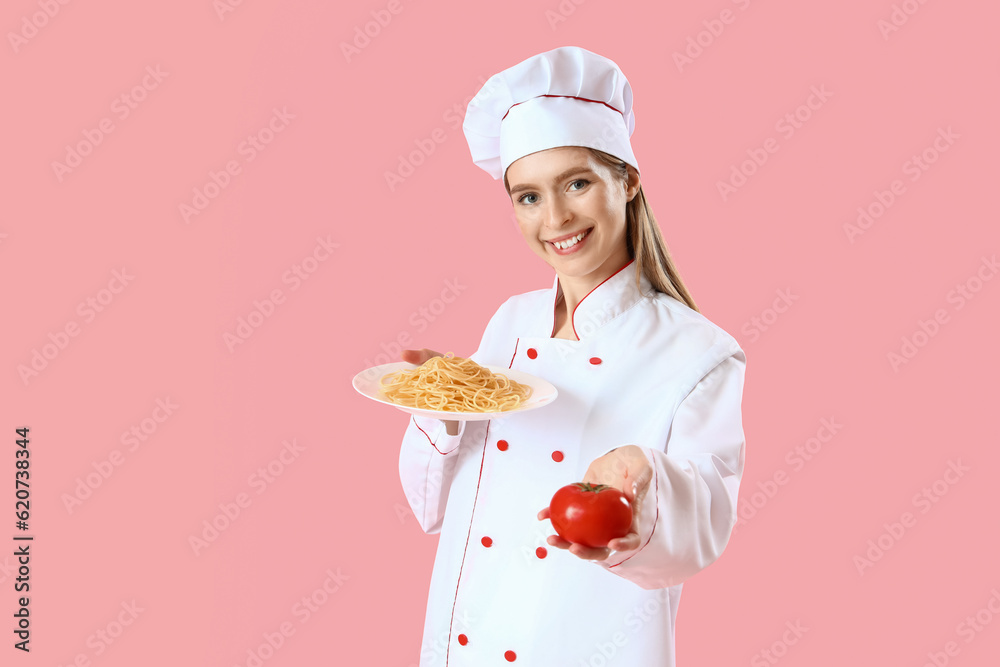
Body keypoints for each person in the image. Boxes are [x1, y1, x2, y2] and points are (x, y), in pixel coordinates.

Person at [395, 46, 747, 666]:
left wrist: (644, 477)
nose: (554, 217)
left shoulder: (701, 351)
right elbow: (435, 509)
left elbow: (708, 520)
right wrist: (440, 410)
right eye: (527, 197)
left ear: (629, 180)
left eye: (576, 184)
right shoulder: (511, 320)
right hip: (465, 643)